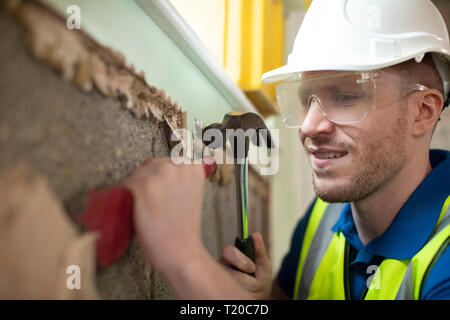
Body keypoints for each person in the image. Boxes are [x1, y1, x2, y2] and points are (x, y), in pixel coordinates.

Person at [123, 0, 450, 299]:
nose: (309, 126)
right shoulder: (326, 216)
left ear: (422, 111)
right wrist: (260, 296)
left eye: (346, 97)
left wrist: (184, 259)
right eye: (307, 100)